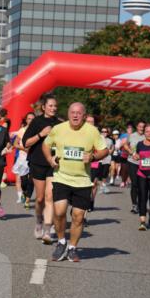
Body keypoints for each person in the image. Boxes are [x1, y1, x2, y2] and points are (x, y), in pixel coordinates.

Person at [42, 102, 108, 262]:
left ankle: (72, 247)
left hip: (83, 181)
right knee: (59, 212)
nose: (75, 115)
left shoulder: (92, 131)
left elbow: (104, 150)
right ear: (68, 114)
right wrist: (50, 159)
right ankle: (61, 241)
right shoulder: (59, 129)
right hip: (62, 177)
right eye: (72, 112)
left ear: (84, 116)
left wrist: (93, 157)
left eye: (79, 113)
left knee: (78, 217)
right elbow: (45, 145)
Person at [21, 93, 61, 243]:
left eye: (55, 106)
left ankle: (47, 230)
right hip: (37, 163)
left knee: (50, 197)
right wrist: (41, 134)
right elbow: (26, 143)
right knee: (40, 199)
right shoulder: (37, 122)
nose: (53, 108)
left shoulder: (60, 124)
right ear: (44, 107)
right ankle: (39, 221)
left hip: (53, 164)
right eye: (50, 105)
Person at [121, 120, 147, 212]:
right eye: (140, 126)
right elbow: (125, 145)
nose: (141, 128)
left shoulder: (147, 136)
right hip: (132, 162)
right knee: (135, 184)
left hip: (144, 163)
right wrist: (131, 152)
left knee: (142, 185)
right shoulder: (132, 136)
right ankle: (134, 205)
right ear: (137, 127)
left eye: (143, 127)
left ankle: (141, 203)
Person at [13, 113, 34, 208]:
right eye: (29, 119)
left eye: (33, 119)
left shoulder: (38, 131)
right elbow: (15, 144)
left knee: (31, 180)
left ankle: (28, 201)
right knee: (24, 181)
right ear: (26, 120)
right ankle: (24, 193)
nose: (31, 120)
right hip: (23, 158)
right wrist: (23, 149)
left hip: (34, 158)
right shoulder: (22, 130)